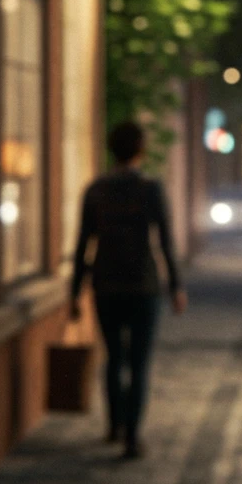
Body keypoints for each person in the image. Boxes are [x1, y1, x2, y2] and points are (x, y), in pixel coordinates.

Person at [70, 120, 187, 458]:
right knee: (138, 362)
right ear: (141, 150)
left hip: (106, 284)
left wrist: (76, 292)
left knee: (113, 357)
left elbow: (83, 244)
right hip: (143, 285)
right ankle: (133, 436)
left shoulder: (96, 190)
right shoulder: (150, 189)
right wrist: (176, 286)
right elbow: (165, 239)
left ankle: (113, 425)